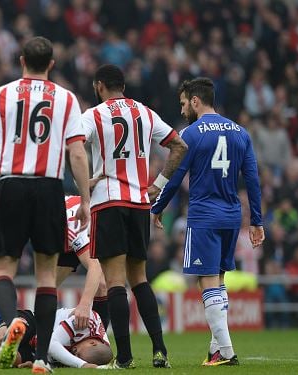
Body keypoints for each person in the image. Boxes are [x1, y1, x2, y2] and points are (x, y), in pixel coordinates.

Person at [0, 36, 91, 374]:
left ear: (21, 60)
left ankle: (12, 327)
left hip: (10, 187)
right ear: (51, 64)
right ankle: (40, 360)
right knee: (46, 277)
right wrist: (84, 199)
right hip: (49, 189)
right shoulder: (67, 99)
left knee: (4, 269)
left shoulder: (1, 95)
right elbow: (77, 153)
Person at [151, 77, 265, 366]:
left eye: (183, 103)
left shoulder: (191, 133)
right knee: (219, 281)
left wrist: (158, 207)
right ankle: (216, 349)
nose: (182, 109)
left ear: (196, 101)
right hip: (231, 216)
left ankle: (226, 351)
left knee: (206, 282)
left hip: (204, 215)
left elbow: (175, 177)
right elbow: (252, 179)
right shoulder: (240, 132)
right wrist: (257, 221)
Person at [83, 64, 188, 369]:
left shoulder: (93, 114)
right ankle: (159, 351)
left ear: (99, 85)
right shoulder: (144, 112)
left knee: (115, 282)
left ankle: (125, 358)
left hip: (108, 202)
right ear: (124, 86)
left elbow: (72, 145)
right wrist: (158, 185)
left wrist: (85, 181)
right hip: (139, 203)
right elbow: (179, 145)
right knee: (139, 279)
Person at [0, 194, 108, 329]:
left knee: (101, 284)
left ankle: (101, 339)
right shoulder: (25, 224)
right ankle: (37, 336)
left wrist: (84, 305)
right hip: (63, 241)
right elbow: (2, 263)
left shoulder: (69, 226)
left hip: (89, 230)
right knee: (46, 291)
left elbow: (94, 266)